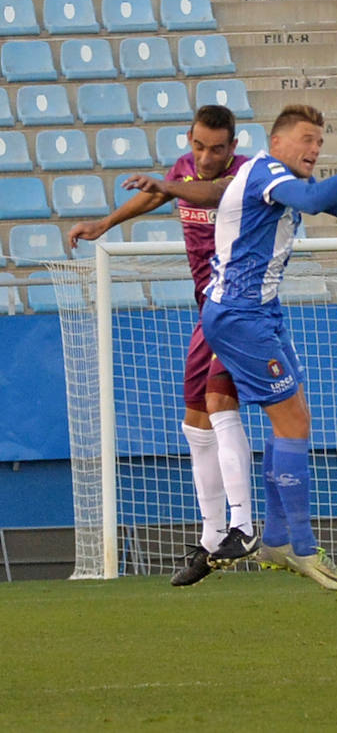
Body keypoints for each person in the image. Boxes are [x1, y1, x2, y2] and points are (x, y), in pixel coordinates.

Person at [201, 103, 337, 591]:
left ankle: (275, 537)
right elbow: (314, 201)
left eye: (320, 141)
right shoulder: (267, 171)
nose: (316, 149)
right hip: (239, 316)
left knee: (292, 420)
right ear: (278, 143)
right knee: (292, 420)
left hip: (259, 313)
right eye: (308, 140)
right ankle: (302, 546)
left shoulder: (281, 181)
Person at [68, 105, 250, 588]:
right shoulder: (181, 172)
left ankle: (243, 526)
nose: (206, 156)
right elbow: (158, 197)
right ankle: (212, 538)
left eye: (216, 148)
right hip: (204, 311)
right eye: (198, 146)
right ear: (189, 140)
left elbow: (211, 194)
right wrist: (105, 224)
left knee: (218, 402)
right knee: (194, 421)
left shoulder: (247, 174)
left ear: (233, 146)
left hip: (237, 305)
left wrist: (167, 186)